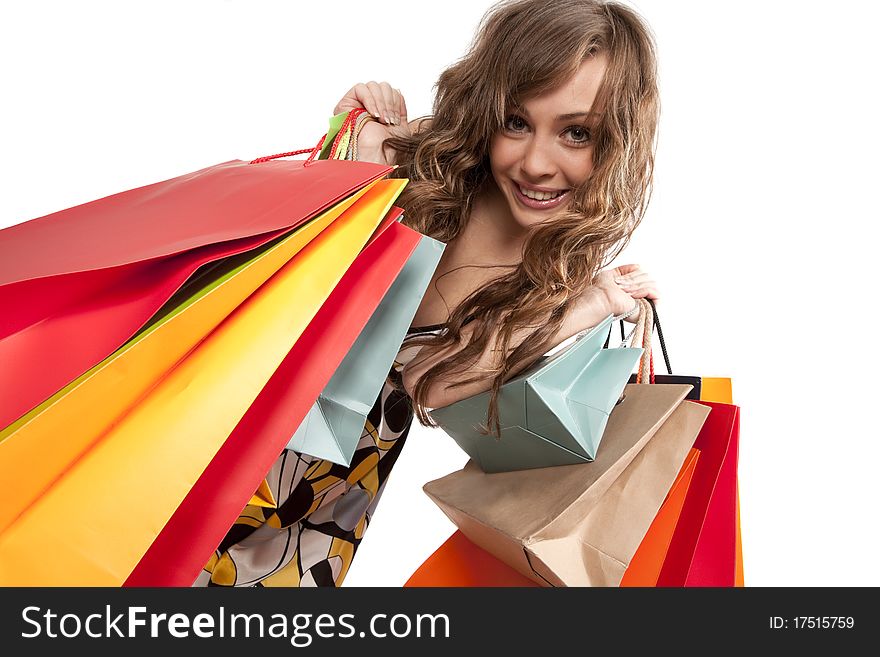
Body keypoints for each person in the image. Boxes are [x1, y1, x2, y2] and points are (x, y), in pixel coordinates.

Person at [196, 0, 661, 587]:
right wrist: (354, 130)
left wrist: (594, 306)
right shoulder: (430, 160)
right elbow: (295, 241)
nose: (536, 162)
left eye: (576, 133)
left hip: (315, 497)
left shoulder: (554, 276)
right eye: (516, 122)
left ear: (619, 142)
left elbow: (435, 386)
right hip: (222, 420)